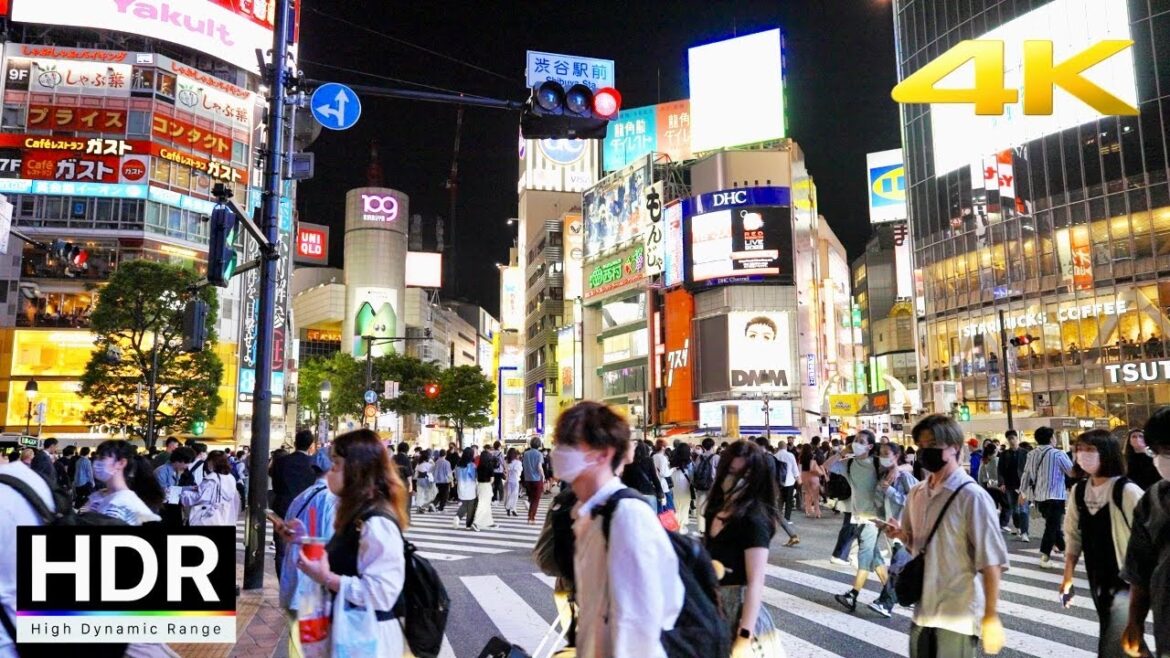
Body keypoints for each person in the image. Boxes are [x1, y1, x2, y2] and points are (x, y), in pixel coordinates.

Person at [551, 401, 683, 656]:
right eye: (559, 442)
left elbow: (640, 626)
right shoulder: (586, 513)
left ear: (603, 453)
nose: (559, 451)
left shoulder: (627, 517)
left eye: (570, 443)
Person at [884, 414, 1008, 658]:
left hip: (958, 615)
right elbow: (917, 547)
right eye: (921, 445)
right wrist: (901, 535)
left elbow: (991, 562)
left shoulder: (972, 496)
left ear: (954, 447)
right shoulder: (917, 493)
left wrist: (991, 617)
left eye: (932, 445)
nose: (925, 451)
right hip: (923, 611)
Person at [296, 429, 411, 656]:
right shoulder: (355, 514)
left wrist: (327, 578)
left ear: (357, 469)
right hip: (352, 632)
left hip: (368, 638)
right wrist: (300, 537)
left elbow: (382, 592)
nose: (330, 471)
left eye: (336, 463)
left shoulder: (376, 522)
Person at [1059, 430, 1146, 658]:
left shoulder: (1126, 491)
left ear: (1106, 453)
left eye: (1090, 450)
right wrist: (1067, 577)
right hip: (1097, 575)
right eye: (1079, 449)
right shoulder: (1079, 491)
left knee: (1113, 640)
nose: (1082, 455)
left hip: (1127, 579)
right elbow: (1073, 536)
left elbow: (1148, 535)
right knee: (1125, 638)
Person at [702, 439, 783, 655]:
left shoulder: (754, 519)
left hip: (741, 614)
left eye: (744, 475)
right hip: (713, 610)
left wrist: (744, 635)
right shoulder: (714, 510)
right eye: (731, 472)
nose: (735, 480)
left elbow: (755, 581)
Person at [275, 451, 337, 658]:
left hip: (295, 579)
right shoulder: (331, 500)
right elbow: (332, 545)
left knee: (298, 647)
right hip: (316, 587)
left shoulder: (300, 497)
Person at [1121, 407, 1170, 658]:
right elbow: (1141, 569)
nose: (1164, 457)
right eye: (1160, 452)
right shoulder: (1153, 499)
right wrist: (1135, 622)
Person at [832, 430, 889, 612]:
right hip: (858, 516)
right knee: (875, 557)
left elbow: (904, 465)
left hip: (874, 517)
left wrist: (895, 471)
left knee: (864, 554)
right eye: (855, 440)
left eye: (861, 441)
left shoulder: (876, 462)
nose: (856, 443)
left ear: (870, 446)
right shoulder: (849, 463)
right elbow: (827, 466)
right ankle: (891, 593)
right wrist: (843, 451)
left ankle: (853, 595)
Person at [868, 442, 919, 618]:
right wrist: (880, 520)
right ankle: (903, 598)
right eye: (880, 454)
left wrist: (890, 491)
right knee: (900, 567)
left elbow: (915, 501)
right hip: (892, 527)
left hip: (907, 528)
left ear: (896, 456)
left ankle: (885, 603)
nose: (882, 457)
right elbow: (880, 504)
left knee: (897, 566)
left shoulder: (904, 477)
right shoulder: (884, 476)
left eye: (886, 454)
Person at [1020, 426, 1075, 568]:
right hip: (1056, 496)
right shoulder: (1058, 454)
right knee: (1052, 526)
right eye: (1054, 436)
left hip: (1039, 498)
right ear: (1051, 438)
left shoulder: (1031, 454)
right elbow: (1072, 472)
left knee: (1053, 525)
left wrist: (1022, 492)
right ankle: (1045, 556)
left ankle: (1064, 550)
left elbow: (1026, 474)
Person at [82, 439, 164, 525]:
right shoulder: (99, 496)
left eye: (102, 458)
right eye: (97, 457)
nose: (96, 463)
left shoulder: (125, 503)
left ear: (121, 463)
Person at [272, 430, 318, 578]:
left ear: (295, 443)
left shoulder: (280, 462)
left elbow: (276, 487)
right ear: (311, 445)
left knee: (281, 551)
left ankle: (282, 584)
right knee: (306, 550)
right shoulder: (314, 463)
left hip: (283, 508)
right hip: (308, 511)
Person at [182, 450, 240, 528]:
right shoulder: (230, 477)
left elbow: (201, 498)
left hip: (208, 516)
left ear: (212, 462)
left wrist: (184, 494)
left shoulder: (211, 479)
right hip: (225, 513)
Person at [998, 430, 1029, 541]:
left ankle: (1025, 532)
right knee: (1014, 510)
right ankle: (1019, 527)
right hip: (1010, 486)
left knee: (1023, 509)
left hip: (1023, 486)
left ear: (1017, 438)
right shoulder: (1004, 454)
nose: (1011, 440)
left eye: (1013, 438)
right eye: (1009, 439)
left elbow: (1030, 469)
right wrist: (1001, 483)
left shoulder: (1025, 453)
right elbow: (1000, 470)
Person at [155, 446, 195, 527]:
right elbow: (165, 492)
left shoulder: (175, 470)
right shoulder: (161, 471)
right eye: (187, 463)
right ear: (179, 460)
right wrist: (188, 488)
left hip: (171, 508)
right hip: (162, 510)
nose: (187, 466)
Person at [620, 441, 663, 510]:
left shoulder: (628, 463)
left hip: (634, 496)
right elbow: (655, 478)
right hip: (649, 494)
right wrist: (660, 493)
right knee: (651, 518)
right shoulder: (649, 460)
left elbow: (624, 480)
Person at [694, 437, 718, 534]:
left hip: (701, 486)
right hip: (712, 486)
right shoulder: (716, 457)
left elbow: (695, 470)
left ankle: (701, 529)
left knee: (701, 507)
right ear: (712, 446)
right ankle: (711, 528)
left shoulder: (699, 457)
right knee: (712, 507)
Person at [668, 443, 693, 534]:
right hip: (685, 481)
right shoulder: (689, 461)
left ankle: (676, 524)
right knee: (685, 504)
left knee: (676, 503)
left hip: (674, 479)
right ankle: (681, 526)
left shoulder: (673, 459)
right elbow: (691, 474)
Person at [472, 445, 497, 531]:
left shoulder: (479, 467)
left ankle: (488, 522)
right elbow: (492, 480)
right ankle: (476, 522)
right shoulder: (490, 466)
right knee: (484, 505)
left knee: (485, 505)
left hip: (480, 485)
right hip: (486, 486)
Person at [522, 437, 546, 524]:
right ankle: (531, 518)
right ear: (539, 444)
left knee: (532, 498)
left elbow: (524, 465)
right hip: (536, 479)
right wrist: (543, 476)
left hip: (527, 479)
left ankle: (530, 515)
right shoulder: (539, 454)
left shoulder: (526, 453)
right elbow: (539, 467)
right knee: (536, 499)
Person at [454, 447, 478, 529]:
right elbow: (474, 477)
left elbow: (456, 477)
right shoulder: (472, 465)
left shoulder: (458, 465)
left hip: (460, 487)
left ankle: (457, 517)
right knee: (471, 505)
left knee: (464, 505)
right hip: (470, 488)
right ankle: (468, 524)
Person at [800, 443, 826, 518]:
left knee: (807, 494)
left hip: (804, 475)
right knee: (815, 495)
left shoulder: (801, 457)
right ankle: (817, 512)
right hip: (813, 476)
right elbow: (812, 467)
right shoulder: (813, 456)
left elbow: (800, 468)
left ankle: (808, 511)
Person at [652, 439, 673, 511]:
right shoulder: (663, 458)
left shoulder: (654, 456)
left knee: (660, 507)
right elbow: (664, 473)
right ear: (662, 447)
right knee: (668, 508)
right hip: (664, 484)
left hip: (656, 484)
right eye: (665, 446)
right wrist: (673, 469)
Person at [73, 445, 95, 509]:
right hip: (85, 482)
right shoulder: (87, 461)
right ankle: (85, 508)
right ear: (88, 452)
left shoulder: (78, 461)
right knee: (89, 496)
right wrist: (92, 481)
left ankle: (77, 508)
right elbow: (89, 473)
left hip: (77, 482)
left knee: (79, 496)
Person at [433, 447, 453, 512]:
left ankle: (433, 504)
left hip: (438, 481)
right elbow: (449, 473)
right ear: (445, 454)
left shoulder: (436, 462)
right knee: (445, 495)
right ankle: (441, 507)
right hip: (445, 481)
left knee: (440, 494)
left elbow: (434, 471)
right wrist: (451, 481)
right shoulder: (447, 463)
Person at [504, 447, 522, 517]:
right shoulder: (518, 462)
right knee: (514, 496)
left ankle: (509, 509)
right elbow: (519, 472)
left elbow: (506, 471)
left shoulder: (506, 462)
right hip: (515, 480)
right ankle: (512, 509)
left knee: (508, 495)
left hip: (508, 480)